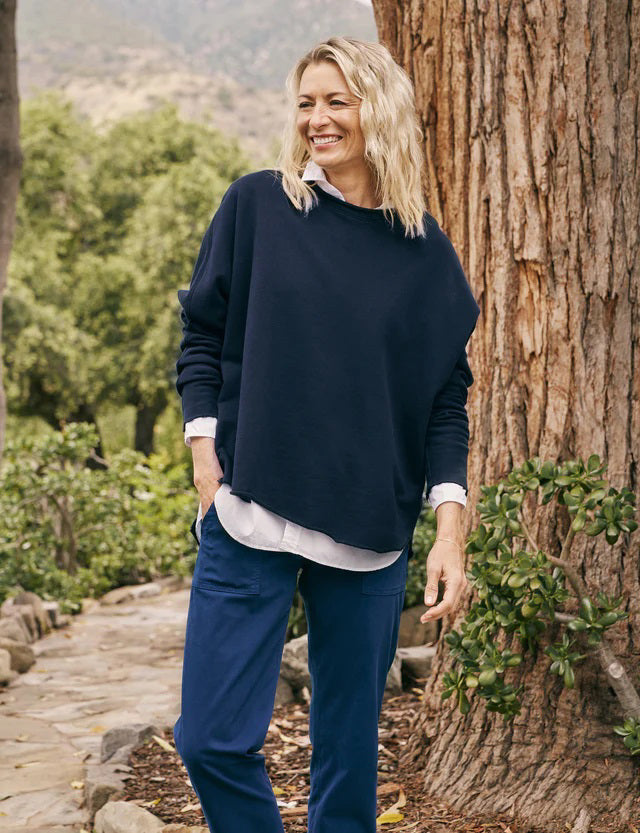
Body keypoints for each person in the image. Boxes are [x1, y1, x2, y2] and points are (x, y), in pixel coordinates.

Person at [172, 35, 480, 833]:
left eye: (337, 101)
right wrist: (206, 454)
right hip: (250, 513)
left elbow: (446, 396)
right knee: (207, 740)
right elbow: (202, 333)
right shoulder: (258, 207)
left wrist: (450, 530)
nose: (318, 119)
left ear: (379, 112)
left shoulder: (424, 255)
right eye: (307, 102)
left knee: (347, 768)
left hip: (370, 535)